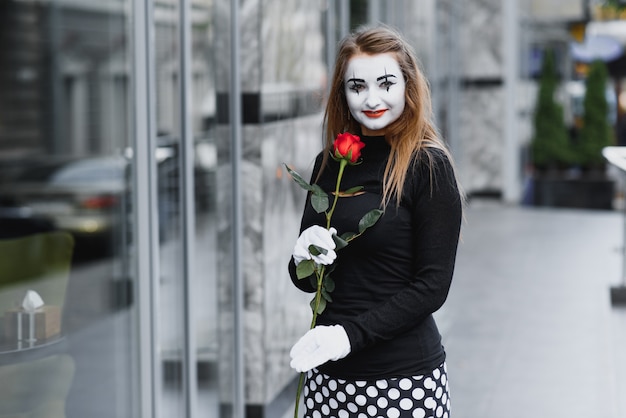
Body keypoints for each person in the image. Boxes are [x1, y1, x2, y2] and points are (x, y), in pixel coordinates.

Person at [288, 25, 463, 418]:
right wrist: (303, 255)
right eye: (357, 86)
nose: (372, 99)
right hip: (328, 377)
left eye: (385, 83)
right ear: (342, 93)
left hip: (401, 382)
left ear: (408, 86)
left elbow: (432, 286)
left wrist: (349, 336)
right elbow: (305, 280)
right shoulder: (330, 164)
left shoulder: (427, 166)